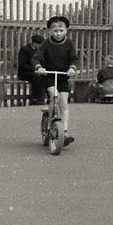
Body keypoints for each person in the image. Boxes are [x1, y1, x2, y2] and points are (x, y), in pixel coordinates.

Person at [34, 15, 77, 147]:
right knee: (54, 95)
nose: (58, 33)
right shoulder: (46, 44)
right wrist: (39, 67)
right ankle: (49, 126)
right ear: (50, 32)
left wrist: (72, 68)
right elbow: (36, 58)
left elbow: (74, 59)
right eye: (55, 31)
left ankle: (65, 131)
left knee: (64, 102)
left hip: (63, 76)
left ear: (66, 31)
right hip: (49, 75)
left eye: (61, 30)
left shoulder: (69, 44)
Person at [17, 34, 45, 105]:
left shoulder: (39, 51)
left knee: (46, 77)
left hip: (36, 72)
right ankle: (36, 99)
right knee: (37, 77)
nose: (40, 46)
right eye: (39, 44)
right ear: (34, 43)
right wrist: (35, 69)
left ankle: (45, 98)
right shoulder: (24, 50)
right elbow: (22, 64)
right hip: (25, 73)